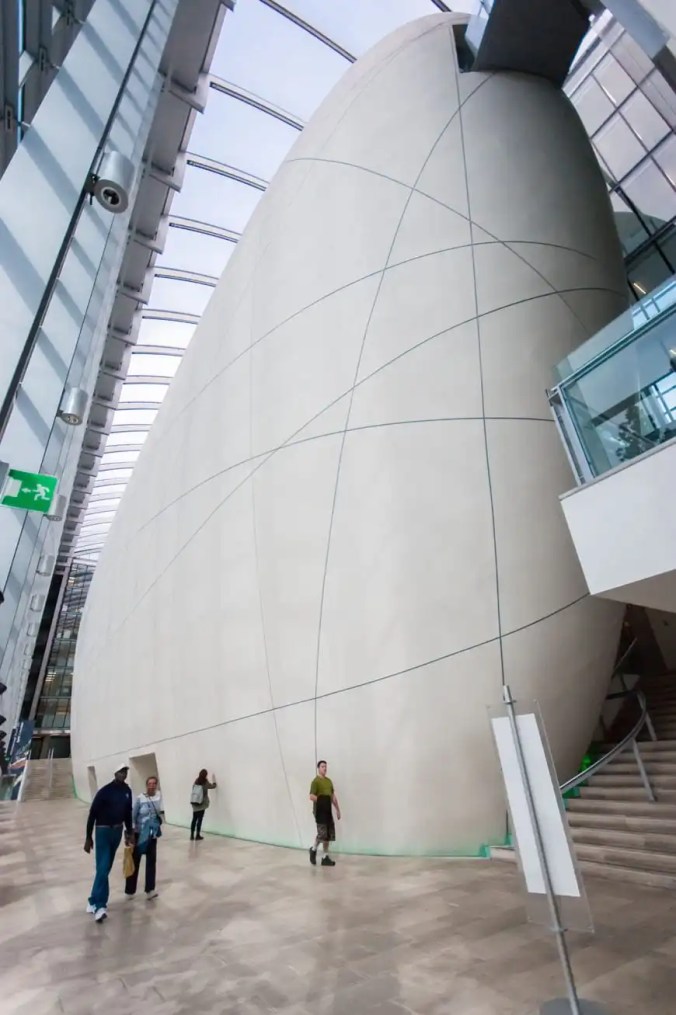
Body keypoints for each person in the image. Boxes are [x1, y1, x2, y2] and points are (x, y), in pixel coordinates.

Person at [84, 765, 133, 921]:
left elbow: (128, 813)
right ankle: (100, 906)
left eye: (125, 772)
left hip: (117, 832)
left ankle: (92, 900)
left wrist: (129, 832)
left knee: (104, 868)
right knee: (103, 868)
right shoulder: (104, 791)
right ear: (115, 773)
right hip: (103, 832)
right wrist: (88, 837)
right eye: (121, 772)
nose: (123, 774)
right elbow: (92, 814)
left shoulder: (127, 791)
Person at [124, 775, 164, 901]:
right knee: (135, 862)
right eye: (149, 784)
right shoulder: (140, 798)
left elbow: (159, 813)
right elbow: (132, 816)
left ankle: (150, 890)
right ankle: (130, 890)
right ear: (146, 785)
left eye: (154, 783)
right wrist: (130, 834)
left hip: (152, 835)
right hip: (139, 835)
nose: (152, 786)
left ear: (156, 785)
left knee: (151, 862)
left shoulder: (159, 797)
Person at [309, 760, 341, 867]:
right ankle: (313, 849)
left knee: (327, 835)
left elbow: (333, 797)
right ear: (318, 768)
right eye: (322, 766)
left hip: (328, 811)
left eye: (325, 766)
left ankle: (325, 857)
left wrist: (338, 810)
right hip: (319, 812)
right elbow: (311, 796)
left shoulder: (329, 781)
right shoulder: (315, 782)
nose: (325, 768)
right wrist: (322, 800)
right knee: (322, 835)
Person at [190, 769, 216, 840]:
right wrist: (214, 783)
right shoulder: (205, 782)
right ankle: (197, 835)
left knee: (194, 819)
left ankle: (191, 835)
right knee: (199, 820)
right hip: (201, 804)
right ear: (205, 775)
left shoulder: (196, 781)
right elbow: (212, 786)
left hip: (195, 803)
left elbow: (193, 789)